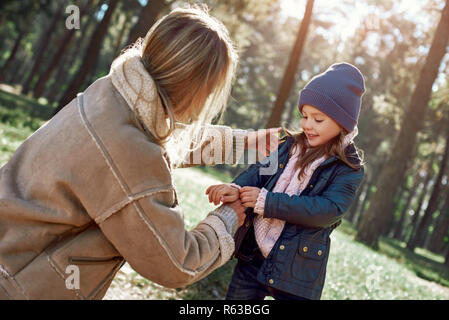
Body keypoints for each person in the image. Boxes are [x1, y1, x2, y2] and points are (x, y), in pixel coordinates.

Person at [0, 6, 280, 300]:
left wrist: (247, 143)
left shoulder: (112, 94)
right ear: (194, 87)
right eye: (210, 91)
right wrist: (227, 219)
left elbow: (158, 142)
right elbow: (176, 264)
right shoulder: (130, 152)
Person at [206, 62, 366, 300]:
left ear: (343, 122)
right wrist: (236, 188)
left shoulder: (347, 168)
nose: (307, 125)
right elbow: (259, 172)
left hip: (296, 271)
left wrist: (268, 202)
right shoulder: (289, 146)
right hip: (253, 256)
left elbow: (327, 210)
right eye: (304, 116)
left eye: (318, 119)